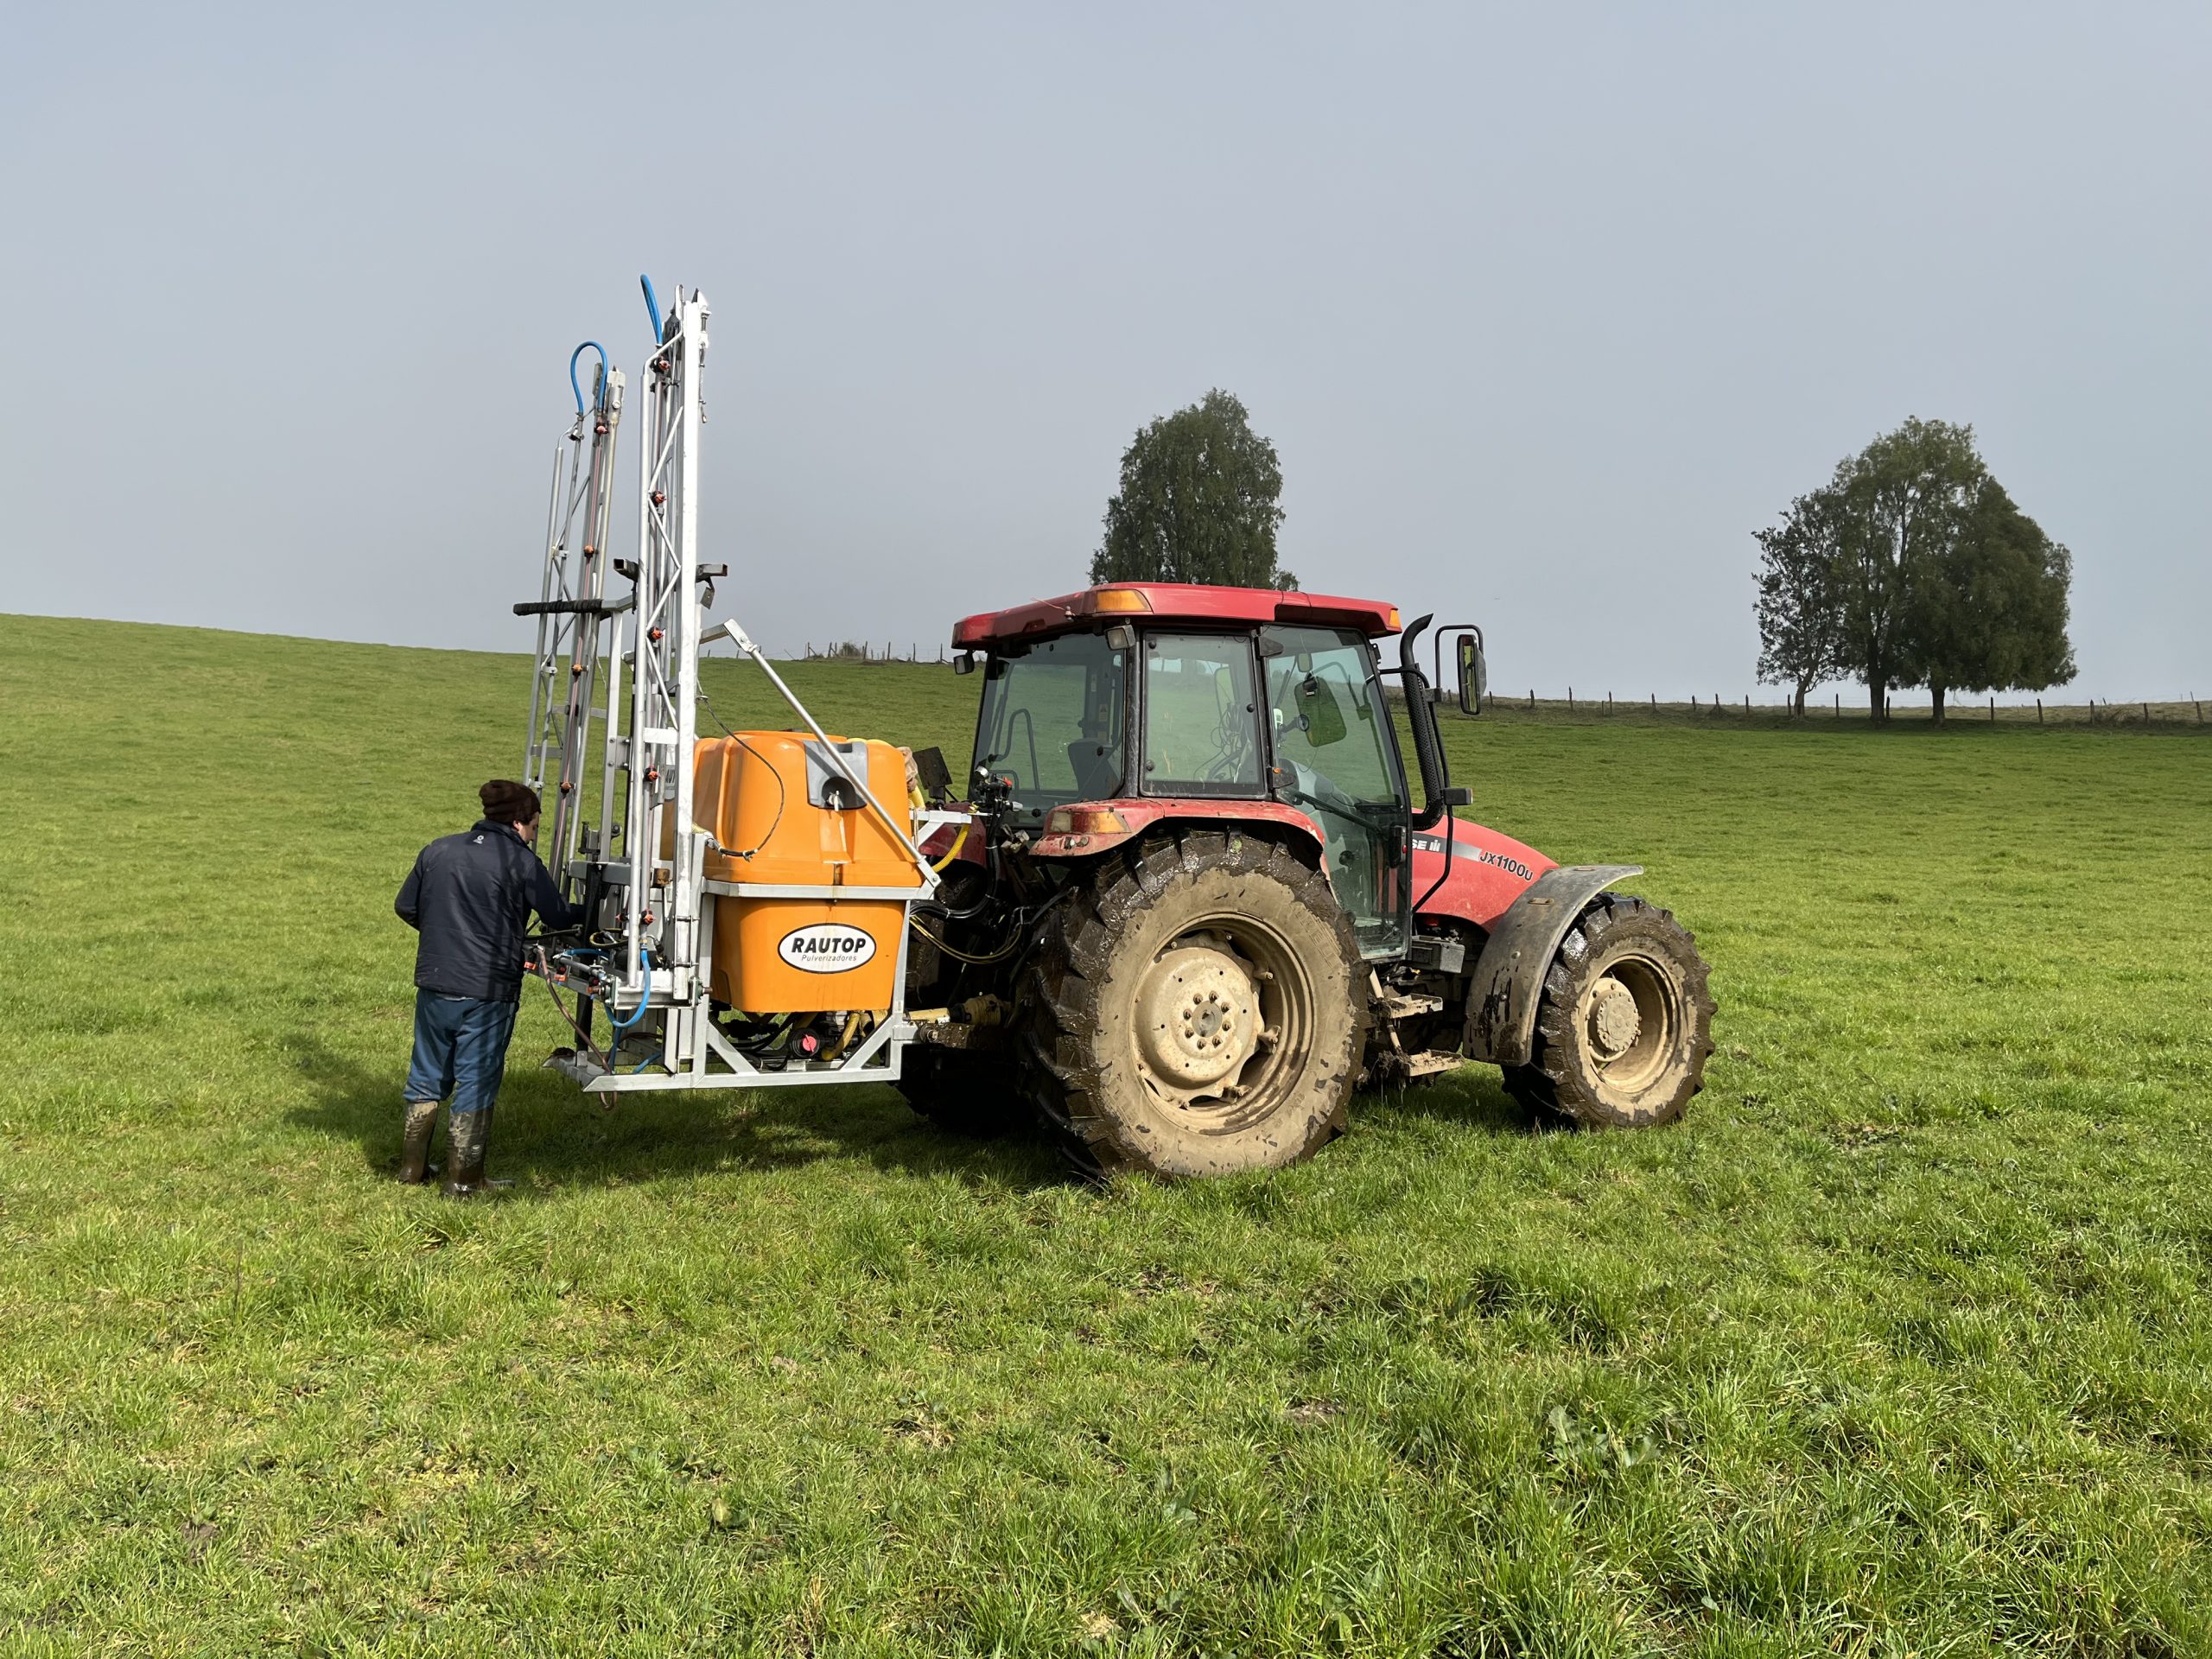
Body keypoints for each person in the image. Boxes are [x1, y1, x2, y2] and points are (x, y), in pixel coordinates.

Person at [393, 780, 577, 1197]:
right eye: (534, 827)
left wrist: (445, 935)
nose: (533, 835)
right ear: (518, 822)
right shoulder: (520, 862)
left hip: (435, 981)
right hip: (488, 988)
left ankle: (411, 1169)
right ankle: (463, 1182)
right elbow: (558, 914)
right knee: (476, 1078)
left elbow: (406, 906)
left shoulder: (437, 849)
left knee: (426, 1074)